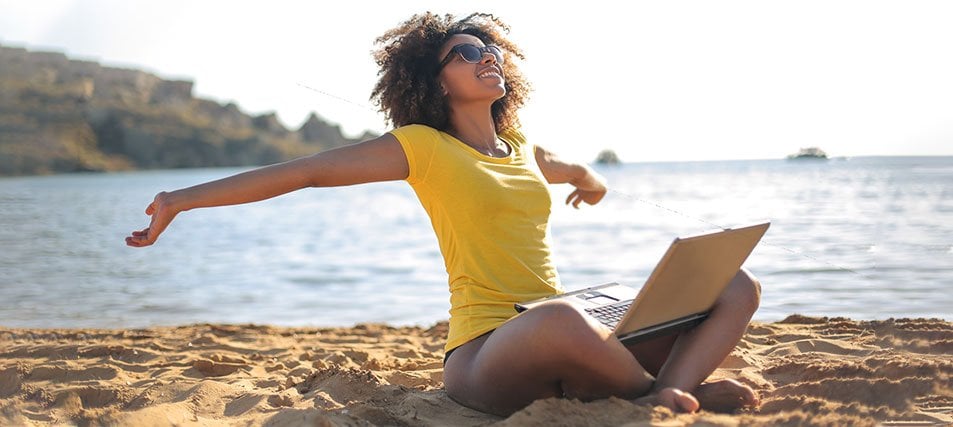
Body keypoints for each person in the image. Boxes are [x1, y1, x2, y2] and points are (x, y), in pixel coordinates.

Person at [126, 12, 761, 417]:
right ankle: (668, 397)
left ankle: (669, 387)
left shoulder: (521, 147)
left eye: (490, 46)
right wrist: (180, 201)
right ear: (434, 82)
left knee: (734, 282)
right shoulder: (424, 147)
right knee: (561, 319)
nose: (486, 54)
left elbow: (566, 168)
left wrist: (590, 184)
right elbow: (306, 171)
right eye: (464, 52)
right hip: (489, 351)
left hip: (574, 327)